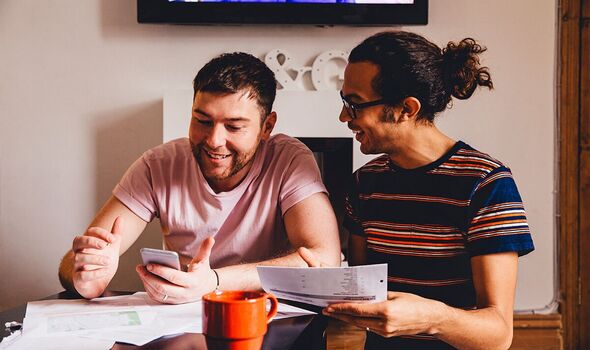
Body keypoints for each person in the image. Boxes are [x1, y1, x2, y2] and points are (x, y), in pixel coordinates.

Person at [300, 31, 535, 349]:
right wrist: (323, 283)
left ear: (406, 109)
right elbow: (364, 293)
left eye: (354, 105)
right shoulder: (364, 184)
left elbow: (498, 333)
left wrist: (431, 318)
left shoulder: (486, 184)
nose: (344, 117)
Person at [58, 52, 341, 304]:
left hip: (269, 316)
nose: (214, 141)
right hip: (189, 317)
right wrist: (84, 276)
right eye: (202, 121)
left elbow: (325, 262)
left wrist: (215, 281)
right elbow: (71, 264)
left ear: (267, 127)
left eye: (233, 126)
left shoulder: (289, 160)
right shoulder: (158, 164)